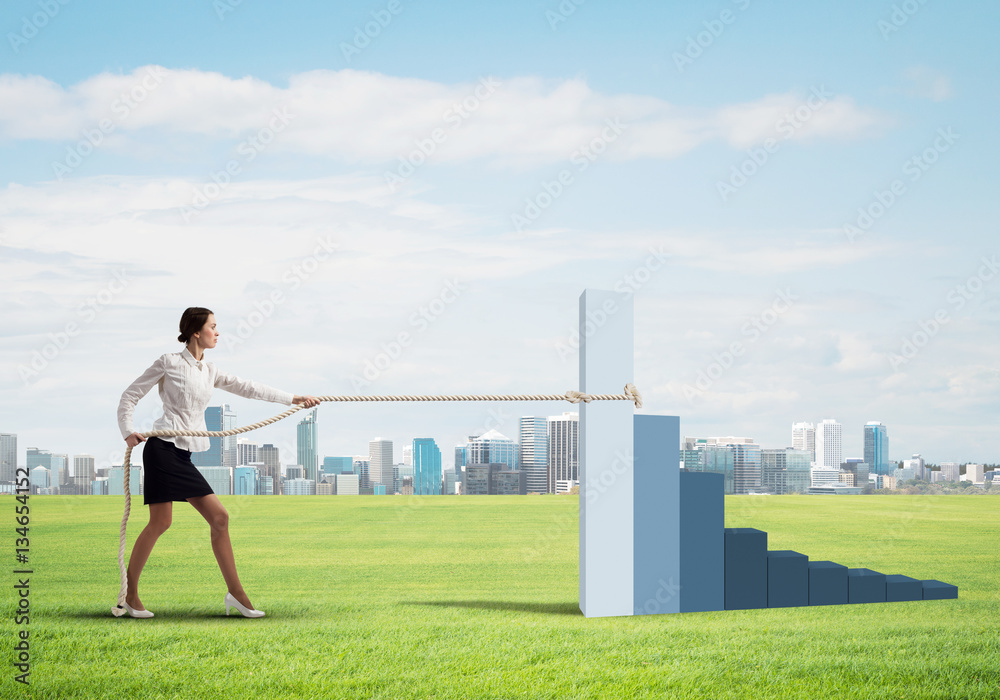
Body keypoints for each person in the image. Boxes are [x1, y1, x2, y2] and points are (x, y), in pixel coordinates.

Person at [116, 307, 319, 618]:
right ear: (197, 331)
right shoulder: (168, 362)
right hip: (161, 450)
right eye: (213, 326)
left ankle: (236, 595)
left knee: (219, 519)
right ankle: (130, 595)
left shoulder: (210, 371)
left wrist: (294, 399)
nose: (218, 332)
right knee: (162, 522)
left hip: (182, 454)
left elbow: (250, 388)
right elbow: (130, 395)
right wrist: (128, 431)